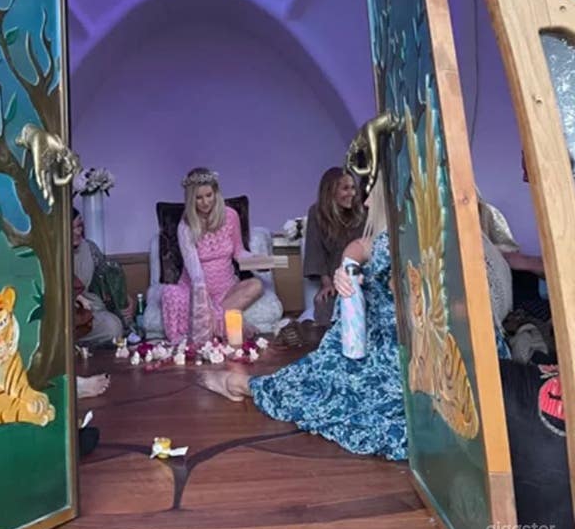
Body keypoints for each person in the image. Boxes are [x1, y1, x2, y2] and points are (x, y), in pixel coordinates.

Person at [200, 173, 511, 462]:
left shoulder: (443, 238)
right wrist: (345, 269)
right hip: (382, 339)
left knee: (351, 394)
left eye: (370, 194)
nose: (365, 202)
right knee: (327, 377)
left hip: (429, 353)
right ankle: (245, 384)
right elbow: (359, 247)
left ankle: (245, 384)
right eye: (353, 190)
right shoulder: (369, 232)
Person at [161, 168, 263, 344]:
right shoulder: (185, 226)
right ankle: (221, 320)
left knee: (256, 285)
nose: (205, 202)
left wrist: (258, 261)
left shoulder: (231, 216)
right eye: (198, 198)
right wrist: (203, 302)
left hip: (227, 290)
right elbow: (196, 273)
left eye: (209, 195)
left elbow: (239, 252)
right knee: (169, 293)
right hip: (197, 291)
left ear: (216, 193)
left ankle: (213, 320)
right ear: (191, 199)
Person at [302, 167, 365, 327]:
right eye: (345, 188)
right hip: (336, 279)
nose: (351, 193)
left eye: (353, 188)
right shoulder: (317, 213)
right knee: (324, 304)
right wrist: (327, 284)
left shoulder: (363, 212)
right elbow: (316, 251)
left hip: (363, 276)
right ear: (330, 191)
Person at [72, 208, 129, 347]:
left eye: (79, 226)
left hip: (88, 311)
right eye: (72, 228)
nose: (78, 232)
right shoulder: (54, 253)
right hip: (65, 315)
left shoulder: (90, 248)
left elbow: (107, 280)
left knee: (113, 327)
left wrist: (125, 299)